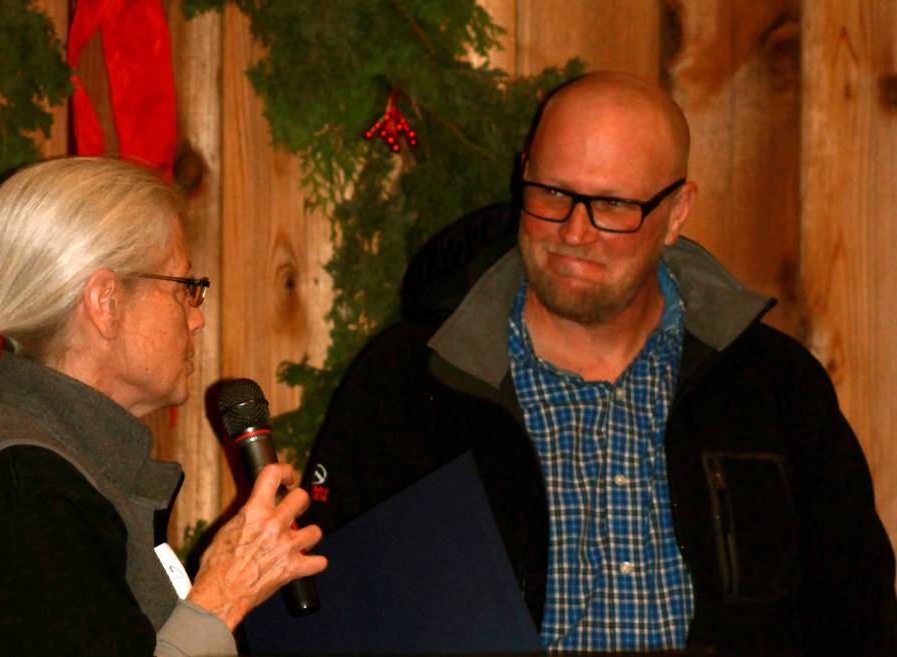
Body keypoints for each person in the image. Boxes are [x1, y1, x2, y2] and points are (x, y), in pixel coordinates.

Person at [300, 72, 897, 655]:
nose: (574, 232)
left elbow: (859, 616)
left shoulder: (774, 386)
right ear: (524, 175)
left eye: (612, 204)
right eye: (553, 194)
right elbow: (328, 611)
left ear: (677, 212)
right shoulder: (410, 381)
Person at [0, 157, 327, 657]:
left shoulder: (41, 463)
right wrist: (221, 599)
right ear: (105, 302)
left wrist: (211, 594)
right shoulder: (24, 488)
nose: (196, 320)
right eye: (185, 288)